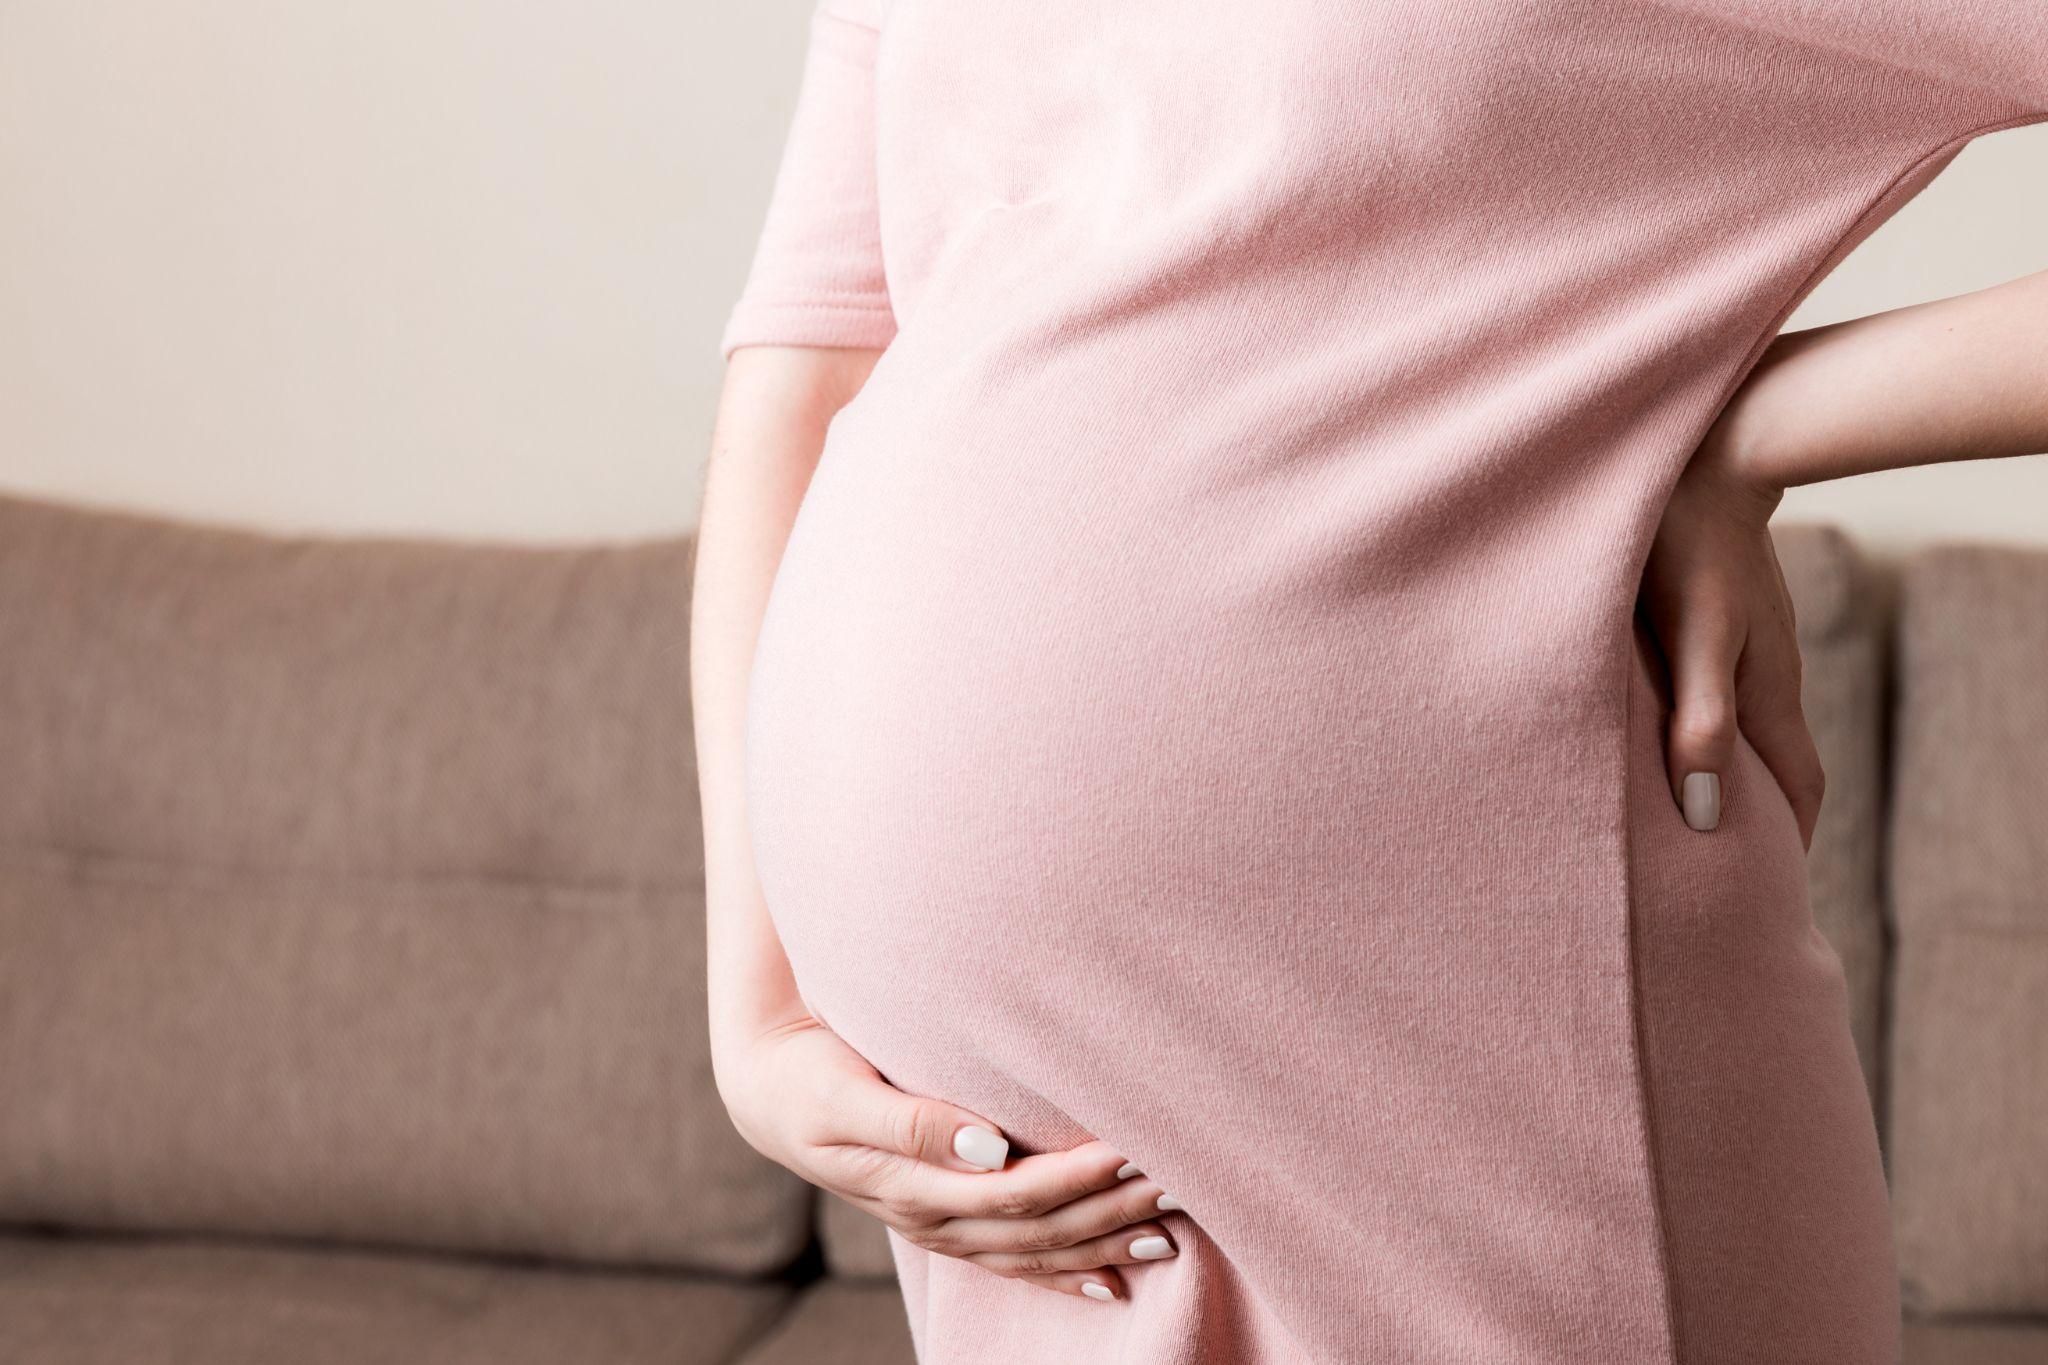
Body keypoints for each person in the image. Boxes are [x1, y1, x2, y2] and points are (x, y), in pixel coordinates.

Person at [691, 2, 2048, 1359]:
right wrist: (758, 1013)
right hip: (1033, 1207)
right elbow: (812, 360)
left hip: (1476, 1081)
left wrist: (1759, 423)